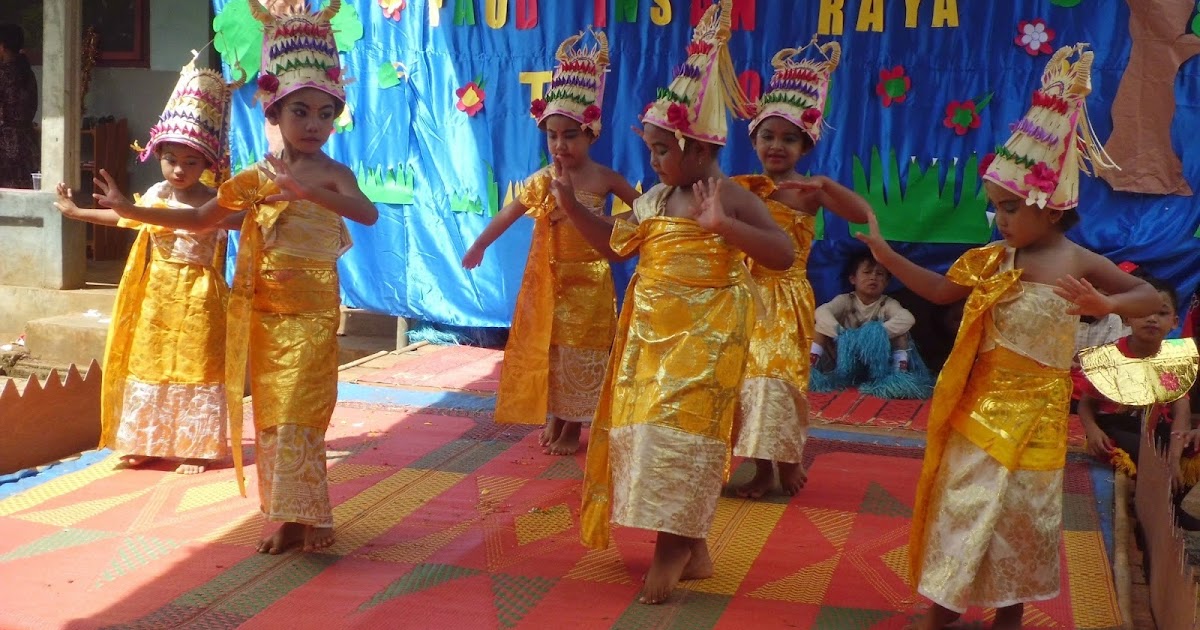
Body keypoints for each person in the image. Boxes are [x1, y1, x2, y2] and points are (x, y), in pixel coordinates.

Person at [855, 44, 1161, 630]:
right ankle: (941, 611)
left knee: (1021, 517)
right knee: (963, 510)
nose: (1000, 220)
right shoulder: (993, 259)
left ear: (1051, 209)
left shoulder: (1078, 259)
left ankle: (1009, 615)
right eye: (995, 208)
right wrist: (885, 253)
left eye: (1011, 209)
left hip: (1039, 417)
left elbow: (1150, 299)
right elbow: (943, 292)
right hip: (979, 414)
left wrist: (1107, 302)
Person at [92, 0, 378, 555]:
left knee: (301, 416)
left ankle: (302, 518)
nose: (315, 124)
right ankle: (294, 515)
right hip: (267, 315)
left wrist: (307, 193)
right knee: (273, 420)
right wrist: (132, 210)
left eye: (325, 112)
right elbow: (202, 218)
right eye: (301, 112)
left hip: (315, 315)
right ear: (272, 111)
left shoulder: (334, 173)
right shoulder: (255, 178)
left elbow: (367, 213)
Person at [568, 0, 795, 605]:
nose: (651, 161)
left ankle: (672, 548)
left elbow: (781, 255)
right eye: (649, 150)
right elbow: (615, 250)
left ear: (696, 148)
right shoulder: (653, 199)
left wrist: (726, 229)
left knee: (686, 434)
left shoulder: (729, 196)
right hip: (648, 336)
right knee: (646, 433)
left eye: (659, 149)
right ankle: (691, 547)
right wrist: (569, 207)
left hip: (708, 334)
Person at [55, 61, 241, 475]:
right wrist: (76, 212)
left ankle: (196, 446)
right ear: (157, 156)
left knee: (197, 364)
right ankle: (148, 440)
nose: (179, 170)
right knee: (149, 361)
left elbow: (236, 224)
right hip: (156, 292)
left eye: (191, 163)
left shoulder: (218, 201)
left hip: (199, 295)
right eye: (171, 159)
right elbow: (126, 218)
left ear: (207, 165)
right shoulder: (156, 194)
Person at [462, 30, 639, 456]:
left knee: (584, 354)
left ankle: (574, 425)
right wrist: (480, 245)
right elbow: (509, 212)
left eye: (570, 136)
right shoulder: (544, 180)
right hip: (553, 285)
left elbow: (645, 208)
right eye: (552, 136)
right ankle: (557, 417)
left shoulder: (604, 178)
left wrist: (610, 222)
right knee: (556, 355)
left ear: (591, 134)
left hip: (592, 285)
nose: (560, 145)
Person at [729, 38, 871, 499]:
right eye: (767, 136)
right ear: (752, 139)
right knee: (744, 381)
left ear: (805, 145)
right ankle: (761, 467)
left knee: (777, 379)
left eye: (789, 138)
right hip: (741, 295)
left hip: (785, 297)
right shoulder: (739, 187)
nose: (776, 145)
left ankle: (787, 458)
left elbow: (861, 214)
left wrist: (828, 186)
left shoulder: (808, 191)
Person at [809, 251, 934, 398]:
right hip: (844, 358)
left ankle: (898, 376)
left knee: (902, 335)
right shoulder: (845, 300)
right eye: (867, 272)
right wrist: (843, 335)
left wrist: (874, 336)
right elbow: (821, 312)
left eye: (880, 274)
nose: (873, 277)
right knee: (819, 329)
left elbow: (907, 318)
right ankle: (811, 370)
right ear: (853, 279)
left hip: (878, 364)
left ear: (887, 282)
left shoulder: (887, 303)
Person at [0, 23, 38, 189]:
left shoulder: (3, 74)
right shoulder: (27, 72)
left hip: (5, 145)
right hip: (28, 142)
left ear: (2, 47)